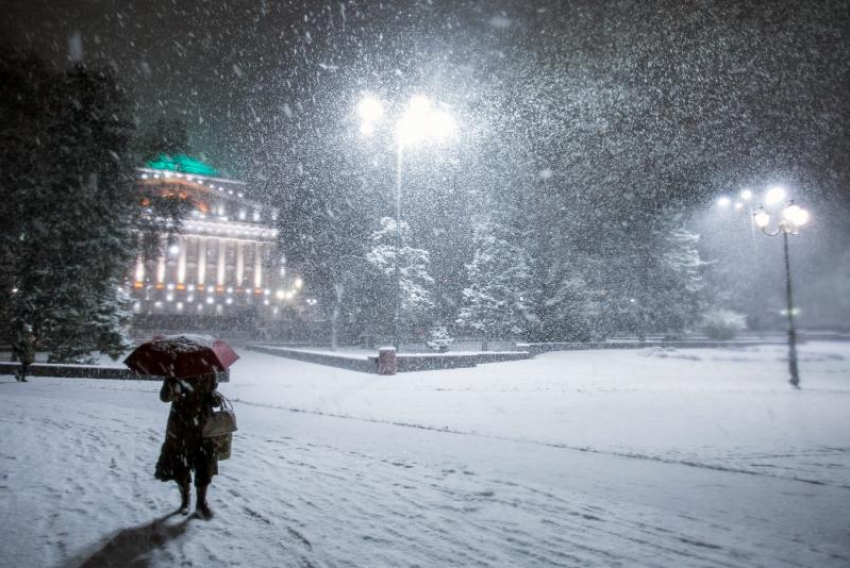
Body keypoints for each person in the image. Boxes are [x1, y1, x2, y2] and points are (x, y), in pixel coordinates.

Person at [155, 371, 221, 519]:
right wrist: (173, 390)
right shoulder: (175, 371)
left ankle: (201, 503)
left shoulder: (209, 371)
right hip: (180, 426)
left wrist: (213, 397)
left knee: (205, 463)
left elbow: (211, 393)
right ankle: (185, 501)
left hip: (203, 424)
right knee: (179, 463)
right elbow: (164, 397)